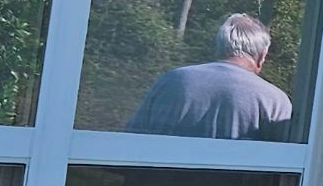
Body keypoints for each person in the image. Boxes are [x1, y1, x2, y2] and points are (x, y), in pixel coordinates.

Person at [126, 12, 293, 140]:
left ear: (219, 46)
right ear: (262, 55)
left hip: (156, 184)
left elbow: (129, 144)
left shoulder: (171, 81)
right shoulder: (275, 101)